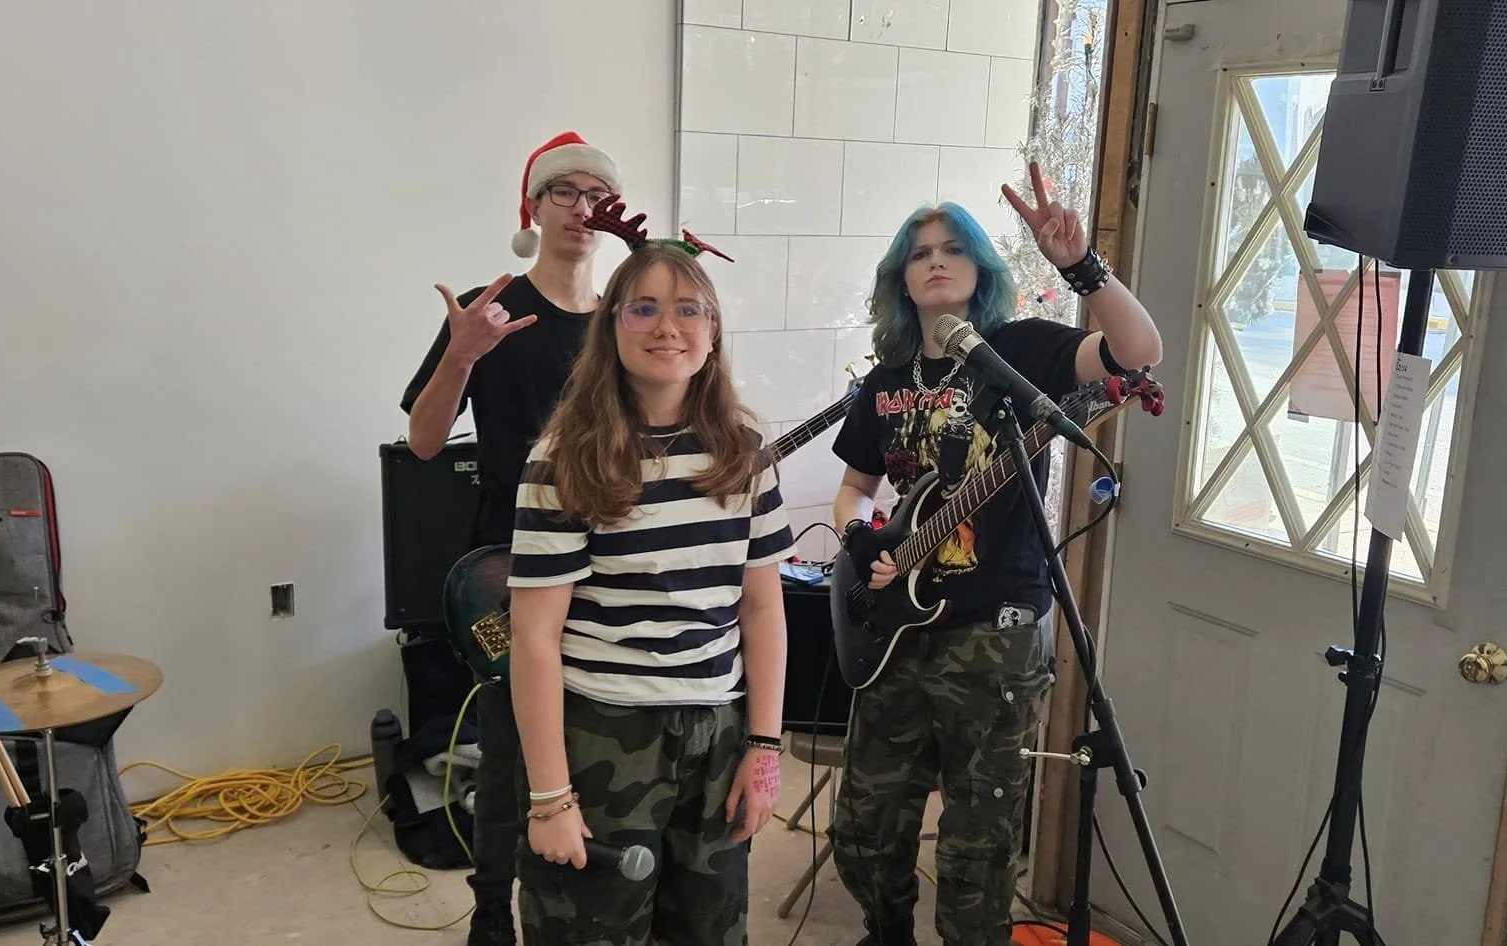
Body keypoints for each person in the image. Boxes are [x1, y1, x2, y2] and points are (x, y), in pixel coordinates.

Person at [825, 163, 1164, 946]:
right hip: (894, 636)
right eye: (919, 253)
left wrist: (1081, 268)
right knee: (866, 832)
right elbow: (854, 491)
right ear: (900, 280)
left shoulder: (1017, 354)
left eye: (953, 249)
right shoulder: (884, 382)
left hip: (996, 634)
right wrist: (861, 539)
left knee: (978, 849)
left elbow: (1139, 349)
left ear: (980, 271)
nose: (935, 260)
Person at [504, 206, 792, 945]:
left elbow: (762, 612)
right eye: (645, 308)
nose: (669, 326)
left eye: (688, 308)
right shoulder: (564, 458)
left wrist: (764, 750)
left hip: (719, 731)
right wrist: (549, 798)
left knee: (710, 930)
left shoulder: (744, 455)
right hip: (603, 734)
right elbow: (534, 638)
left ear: (713, 331)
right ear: (612, 327)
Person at [397, 129, 622, 946]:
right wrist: (458, 360)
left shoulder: (625, 320)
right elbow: (425, 442)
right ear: (533, 206)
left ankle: (587, 898)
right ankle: (491, 913)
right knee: (508, 744)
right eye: (564, 191)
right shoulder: (491, 309)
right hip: (508, 564)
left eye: (597, 194)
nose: (582, 208)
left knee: (600, 735)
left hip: (609, 566)